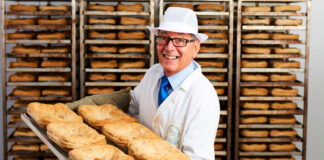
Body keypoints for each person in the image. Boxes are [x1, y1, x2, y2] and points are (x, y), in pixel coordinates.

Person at [68, 7, 220, 160]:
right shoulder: (153, 74)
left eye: (180, 40)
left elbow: (198, 158)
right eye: (163, 38)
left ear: (195, 47)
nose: (169, 47)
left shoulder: (203, 97)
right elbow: (133, 106)